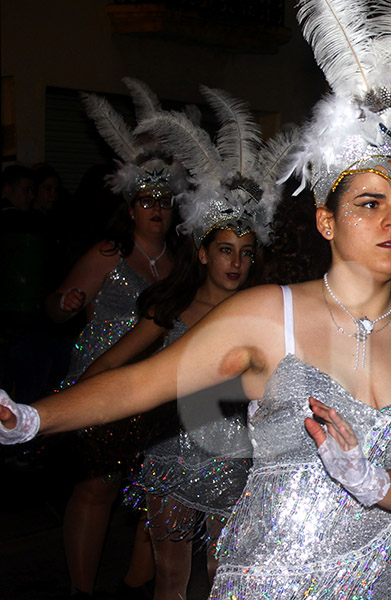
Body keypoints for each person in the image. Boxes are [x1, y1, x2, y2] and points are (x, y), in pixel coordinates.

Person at [1, 1, 391, 596]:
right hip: (273, 582)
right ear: (327, 220)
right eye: (369, 204)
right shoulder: (271, 315)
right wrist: (35, 418)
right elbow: (141, 383)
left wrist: (376, 483)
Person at [81, 85, 297, 600]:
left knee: (226, 582)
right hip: (172, 459)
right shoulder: (170, 308)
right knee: (172, 582)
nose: (235, 263)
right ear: (202, 254)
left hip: (236, 461)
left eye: (245, 253)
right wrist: (62, 412)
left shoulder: (261, 313)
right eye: (225, 250)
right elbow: (116, 360)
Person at [43, 79, 187, 598]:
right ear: (130, 207)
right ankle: (82, 588)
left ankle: (133, 583)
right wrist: (65, 305)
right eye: (147, 201)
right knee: (96, 488)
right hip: (102, 373)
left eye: (165, 203)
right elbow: (56, 309)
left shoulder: (181, 263)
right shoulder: (109, 252)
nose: (157, 209)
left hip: (153, 383)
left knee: (155, 486)